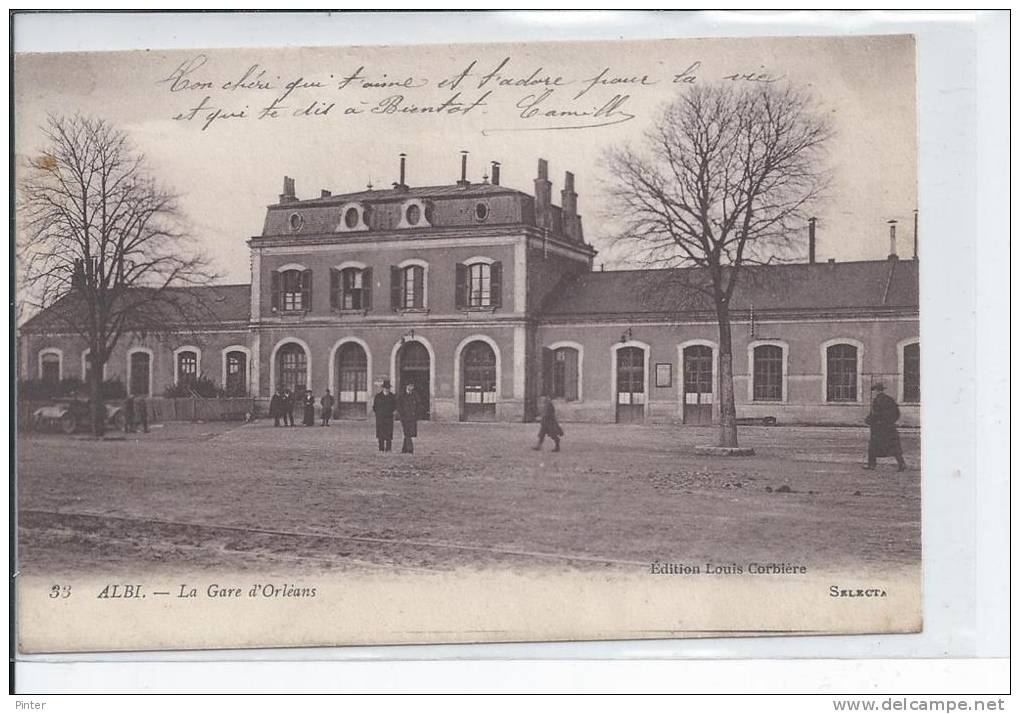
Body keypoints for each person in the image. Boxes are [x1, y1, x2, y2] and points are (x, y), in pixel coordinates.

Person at [864, 383, 907, 471]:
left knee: (873, 446)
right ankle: (901, 464)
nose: (874, 392)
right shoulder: (889, 399)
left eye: (874, 390)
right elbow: (896, 413)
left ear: (877, 391)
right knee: (894, 447)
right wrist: (891, 421)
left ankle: (872, 465)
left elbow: (876, 414)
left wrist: (869, 420)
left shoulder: (878, 400)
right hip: (889, 427)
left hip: (879, 428)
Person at [372, 380, 397, 452]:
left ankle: (388, 448)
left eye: (388, 388)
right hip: (380, 417)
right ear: (383, 388)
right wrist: (378, 413)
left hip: (389, 417)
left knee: (389, 433)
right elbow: (375, 407)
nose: (387, 389)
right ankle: (381, 448)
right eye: (385, 388)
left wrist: (392, 412)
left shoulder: (392, 396)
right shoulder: (378, 396)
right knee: (380, 433)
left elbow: (395, 406)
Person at [397, 382, 420, 454]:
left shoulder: (415, 395)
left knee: (409, 433)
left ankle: (404, 449)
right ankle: (410, 449)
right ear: (406, 386)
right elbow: (398, 406)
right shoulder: (402, 395)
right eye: (410, 386)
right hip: (405, 417)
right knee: (407, 432)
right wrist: (401, 414)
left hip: (412, 417)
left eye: (412, 386)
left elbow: (419, 405)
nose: (411, 387)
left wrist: (416, 414)